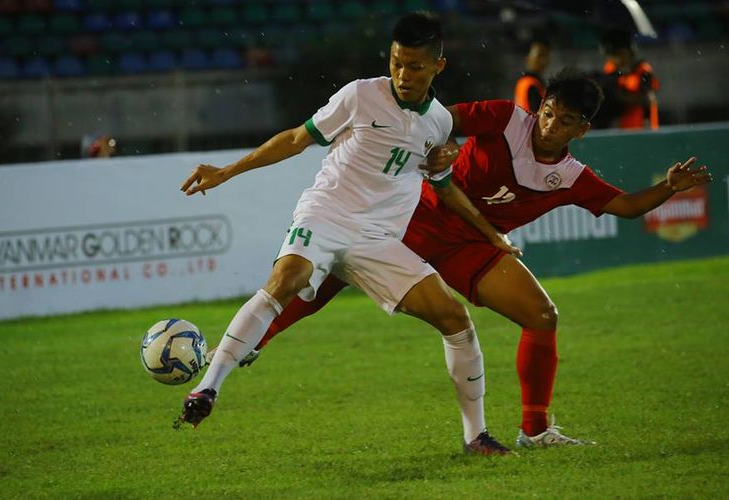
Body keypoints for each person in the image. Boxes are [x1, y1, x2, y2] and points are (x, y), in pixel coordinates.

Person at [227, 70, 712, 448]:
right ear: (539, 106)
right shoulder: (504, 117)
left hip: (473, 246)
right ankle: (254, 340)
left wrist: (667, 188)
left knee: (541, 316)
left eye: (565, 121)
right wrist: (440, 147)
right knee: (329, 274)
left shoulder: (569, 175)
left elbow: (625, 207)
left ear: (582, 130)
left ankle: (536, 430)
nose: (550, 124)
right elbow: (440, 119)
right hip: (415, 216)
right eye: (548, 112)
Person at [177, 11, 514, 456]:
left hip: (378, 240)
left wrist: (491, 234)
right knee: (286, 280)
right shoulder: (360, 95)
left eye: (414, 66)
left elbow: (443, 184)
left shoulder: (439, 123)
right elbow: (298, 138)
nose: (403, 75)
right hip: (328, 212)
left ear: (438, 67)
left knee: (455, 318)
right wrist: (228, 171)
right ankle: (207, 389)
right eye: (396, 62)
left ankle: (477, 437)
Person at [600, 30, 660, 130]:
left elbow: (645, 98)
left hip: (641, 126)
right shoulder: (610, 70)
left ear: (627, 52)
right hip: (619, 128)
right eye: (611, 56)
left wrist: (616, 93)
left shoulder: (642, 70)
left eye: (618, 54)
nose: (614, 59)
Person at [513, 37, 550, 113]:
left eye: (546, 55)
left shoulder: (527, 81)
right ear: (527, 58)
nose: (543, 61)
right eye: (539, 55)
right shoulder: (530, 83)